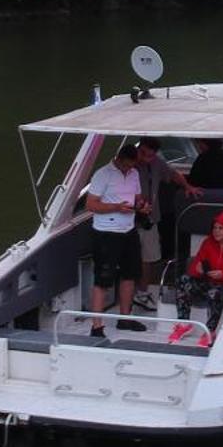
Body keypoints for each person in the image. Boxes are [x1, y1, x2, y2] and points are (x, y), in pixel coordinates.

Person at [84, 142, 147, 335]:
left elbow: (137, 197)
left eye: (132, 166)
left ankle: (124, 318)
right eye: (127, 165)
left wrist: (142, 205)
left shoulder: (134, 174)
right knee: (102, 279)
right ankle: (96, 326)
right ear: (119, 159)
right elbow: (91, 205)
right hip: (106, 233)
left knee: (129, 275)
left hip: (128, 230)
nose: (129, 169)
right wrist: (116, 207)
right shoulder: (103, 174)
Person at [132, 138, 199, 311]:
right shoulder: (128, 166)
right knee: (131, 258)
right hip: (126, 220)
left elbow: (173, 174)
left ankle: (142, 292)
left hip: (149, 220)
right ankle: (129, 293)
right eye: (143, 154)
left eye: (150, 155)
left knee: (148, 258)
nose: (146, 158)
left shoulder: (157, 164)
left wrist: (187, 186)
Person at [178, 211, 223, 330]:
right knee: (183, 280)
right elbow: (193, 269)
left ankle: (209, 331)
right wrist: (199, 270)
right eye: (215, 228)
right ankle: (183, 323)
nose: (216, 231)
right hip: (208, 282)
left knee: (214, 293)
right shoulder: (207, 243)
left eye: (221, 228)